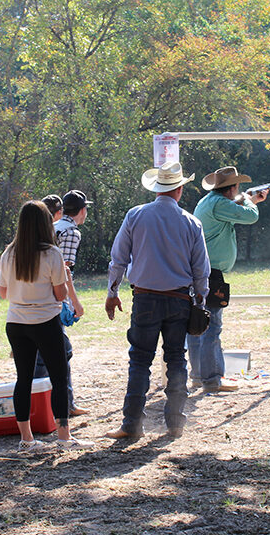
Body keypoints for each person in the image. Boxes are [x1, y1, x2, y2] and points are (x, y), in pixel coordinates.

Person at [104, 161, 210, 439]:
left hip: (145, 299)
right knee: (176, 359)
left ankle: (131, 425)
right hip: (179, 301)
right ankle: (175, 423)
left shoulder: (135, 216)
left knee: (139, 361)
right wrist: (199, 303)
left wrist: (112, 293)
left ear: (157, 188)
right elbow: (201, 271)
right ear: (180, 188)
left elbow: (118, 259)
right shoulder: (191, 222)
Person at [0, 200, 94, 452]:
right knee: (59, 378)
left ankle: (26, 439)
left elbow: (2, 292)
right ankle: (64, 437)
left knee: (23, 379)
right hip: (45, 322)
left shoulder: (8, 254)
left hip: (16, 322)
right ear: (45, 223)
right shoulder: (52, 254)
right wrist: (63, 278)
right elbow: (60, 295)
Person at [189, 166, 268, 393]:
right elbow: (251, 216)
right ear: (232, 188)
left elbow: (235, 209)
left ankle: (197, 376)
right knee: (211, 326)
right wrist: (250, 201)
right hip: (210, 273)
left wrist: (245, 199)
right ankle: (212, 380)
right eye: (238, 187)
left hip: (201, 270)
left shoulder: (211, 201)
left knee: (196, 325)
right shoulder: (220, 204)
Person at [33, 189, 90, 416]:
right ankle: (62, 403)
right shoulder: (71, 232)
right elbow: (64, 270)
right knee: (60, 352)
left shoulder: (54, 226)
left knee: (45, 352)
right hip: (54, 296)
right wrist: (74, 301)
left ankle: (53, 401)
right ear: (82, 211)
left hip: (39, 295)